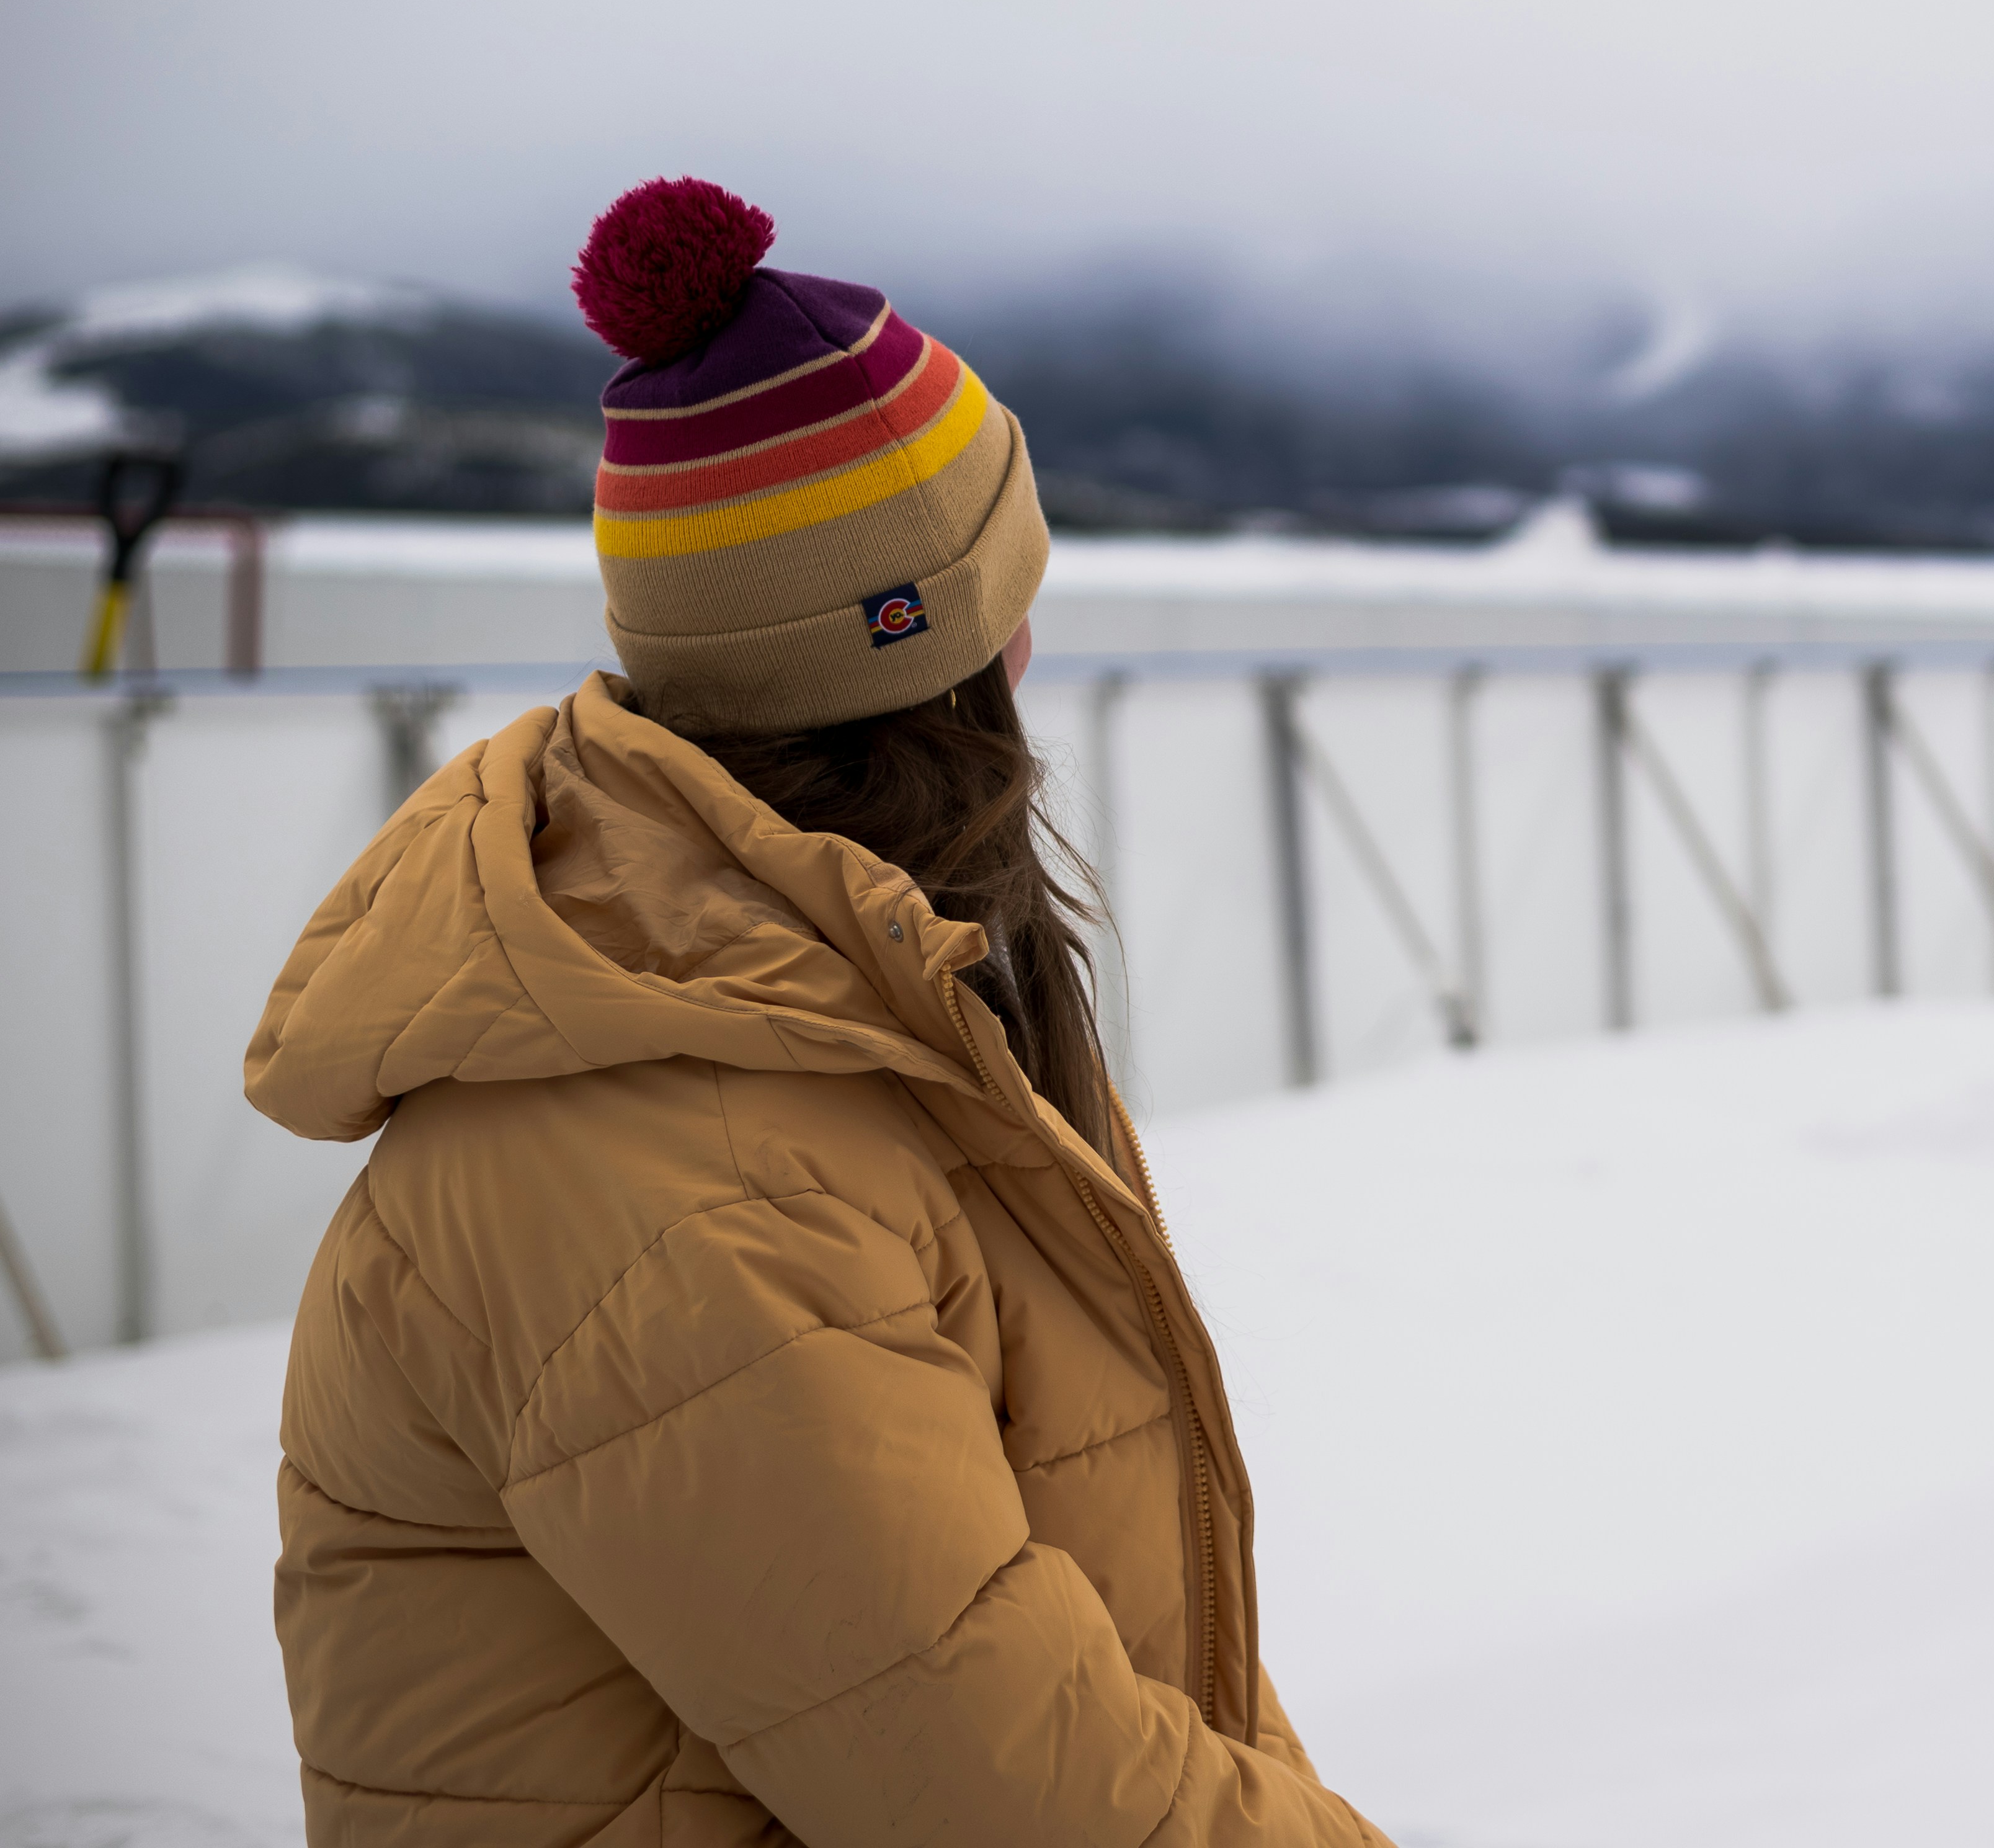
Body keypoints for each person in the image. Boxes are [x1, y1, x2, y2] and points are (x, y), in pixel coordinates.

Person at [244, 180, 1389, 1846]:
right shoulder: (695, 1156)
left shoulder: (863, 1000)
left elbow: (1113, 1653)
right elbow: (1004, 1785)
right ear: (961, 644)